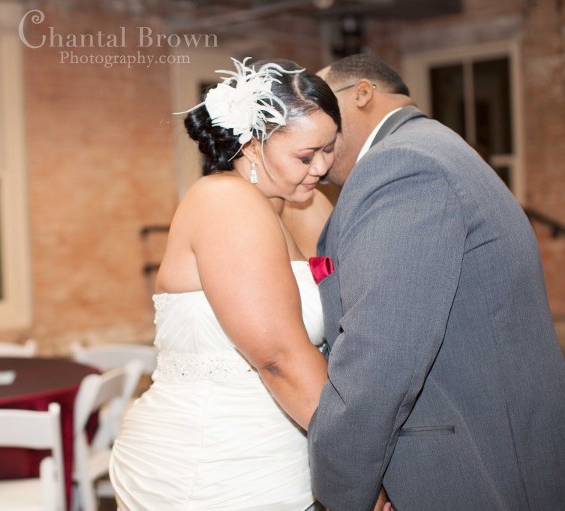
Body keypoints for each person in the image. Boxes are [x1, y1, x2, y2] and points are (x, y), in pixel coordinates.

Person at [307, 53, 565, 510]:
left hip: (458, 465)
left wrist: (340, 489)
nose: (316, 129)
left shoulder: (402, 165)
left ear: (362, 94)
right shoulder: (435, 146)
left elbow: (381, 352)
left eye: (324, 108)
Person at [109, 58, 339, 510]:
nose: (322, 166)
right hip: (212, 465)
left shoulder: (302, 203)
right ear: (252, 146)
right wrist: (359, 458)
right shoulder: (224, 201)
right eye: (306, 155)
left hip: (282, 454)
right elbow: (278, 358)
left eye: (330, 148)